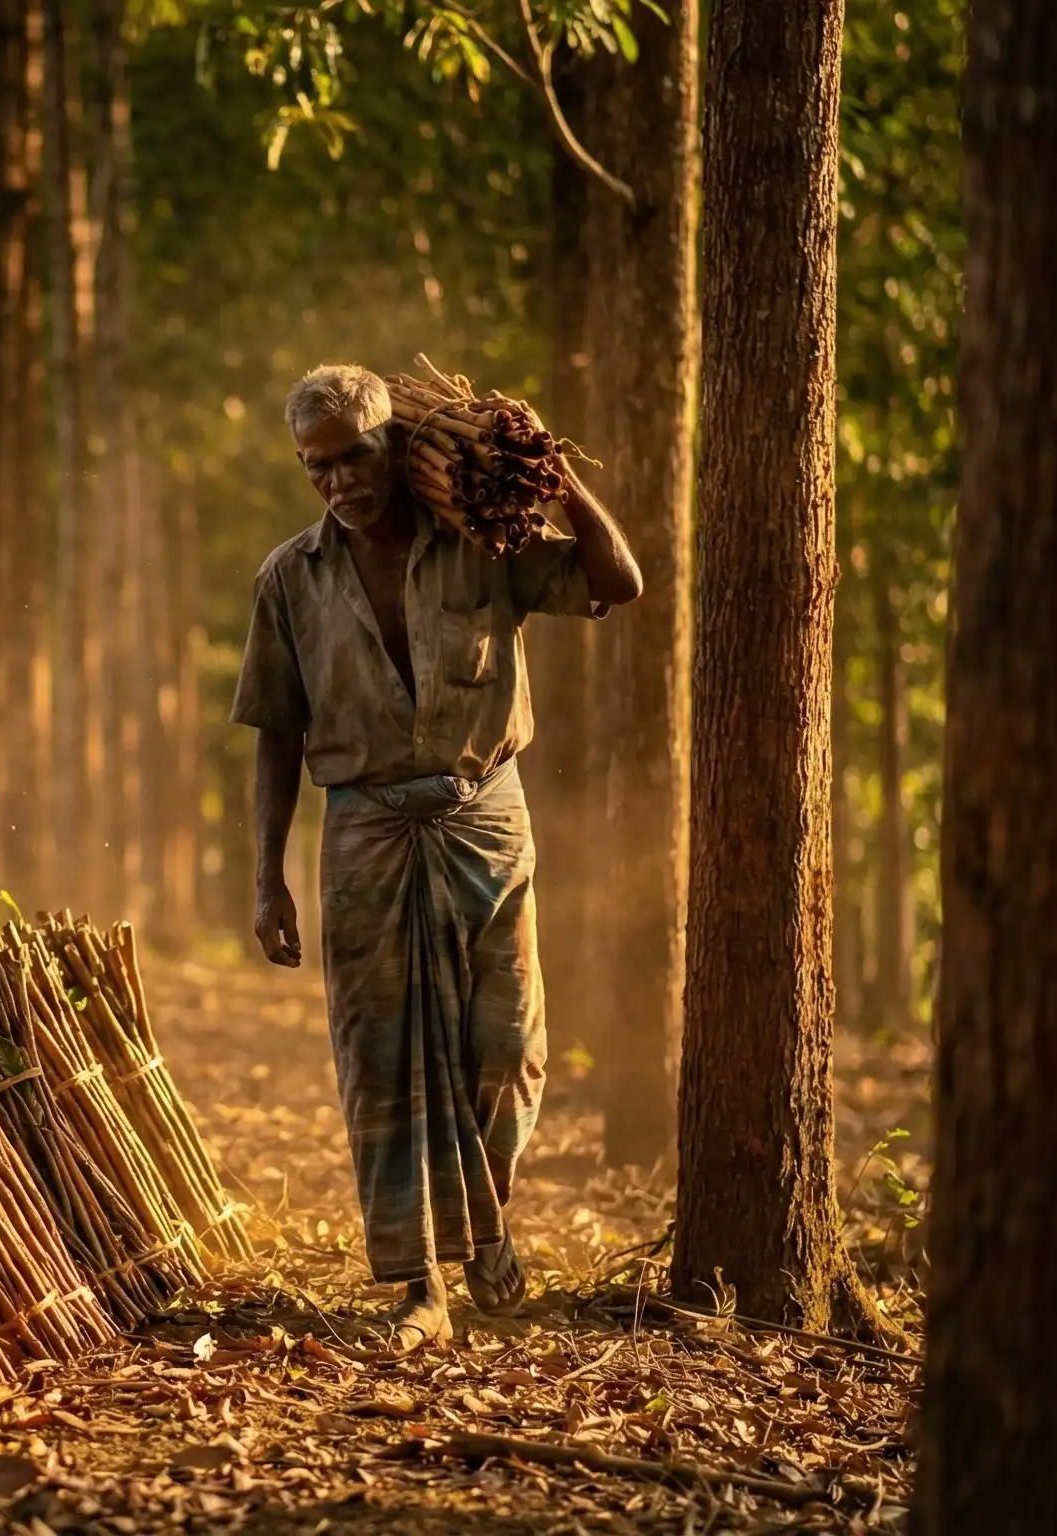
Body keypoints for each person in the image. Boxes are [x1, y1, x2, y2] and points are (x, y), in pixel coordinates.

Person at [232, 363, 641, 1349]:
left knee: (508, 1052)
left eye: (356, 457)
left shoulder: (479, 543)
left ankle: (487, 1224)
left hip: (483, 820)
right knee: (380, 1067)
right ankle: (421, 1285)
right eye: (317, 468)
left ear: (398, 448)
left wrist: (557, 479)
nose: (340, 483)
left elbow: (615, 583)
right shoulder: (290, 578)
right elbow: (275, 734)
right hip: (364, 832)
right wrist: (265, 877)